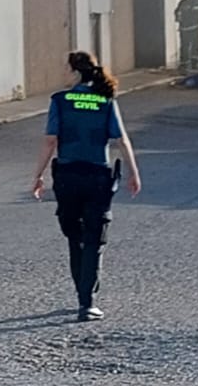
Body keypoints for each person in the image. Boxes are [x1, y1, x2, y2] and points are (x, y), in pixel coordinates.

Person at [31, 50, 143, 322]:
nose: (62, 73)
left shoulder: (60, 100)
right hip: (97, 177)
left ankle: (82, 292)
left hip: (68, 177)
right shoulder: (105, 100)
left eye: (65, 69)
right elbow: (122, 140)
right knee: (95, 236)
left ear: (74, 72)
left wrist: (38, 175)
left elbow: (50, 141)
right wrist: (133, 173)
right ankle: (87, 301)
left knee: (74, 235)